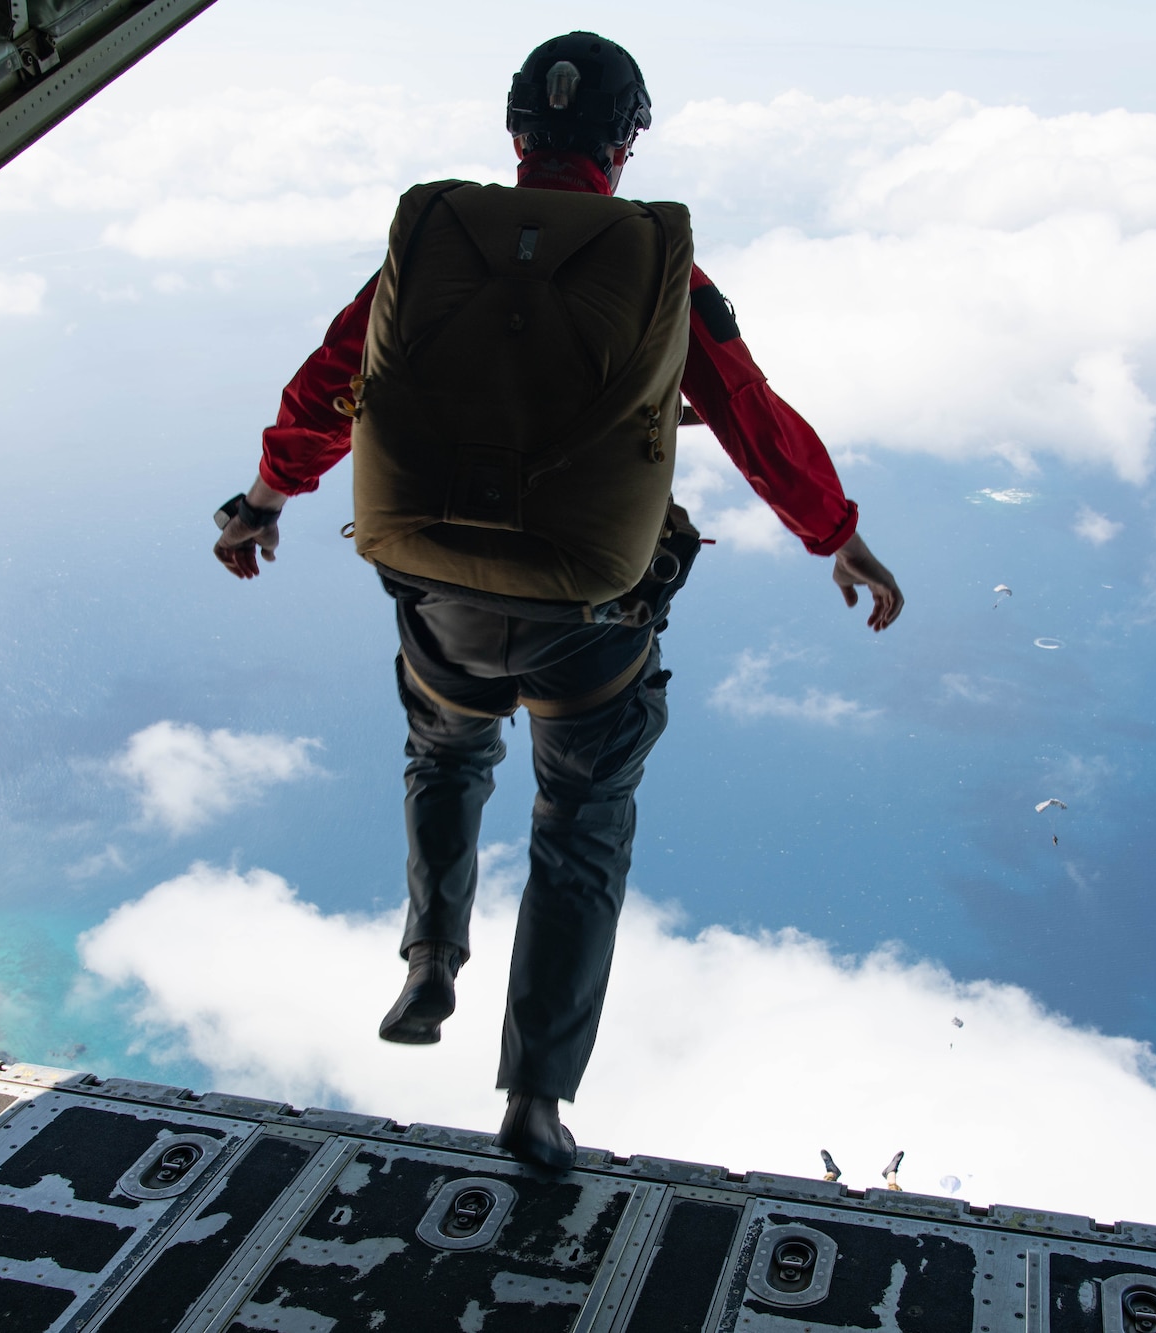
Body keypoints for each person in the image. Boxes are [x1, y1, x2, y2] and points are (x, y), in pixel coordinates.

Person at [213, 31, 903, 1171]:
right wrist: (840, 539)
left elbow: (329, 386)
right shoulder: (656, 264)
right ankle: (533, 1098)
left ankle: (430, 957)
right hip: (589, 627)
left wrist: (259, 503)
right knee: (579, 828)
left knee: (445, 755)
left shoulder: (433, 244)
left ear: (514, 133)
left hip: (438, 606)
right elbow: (749, 415)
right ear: (625, 143)